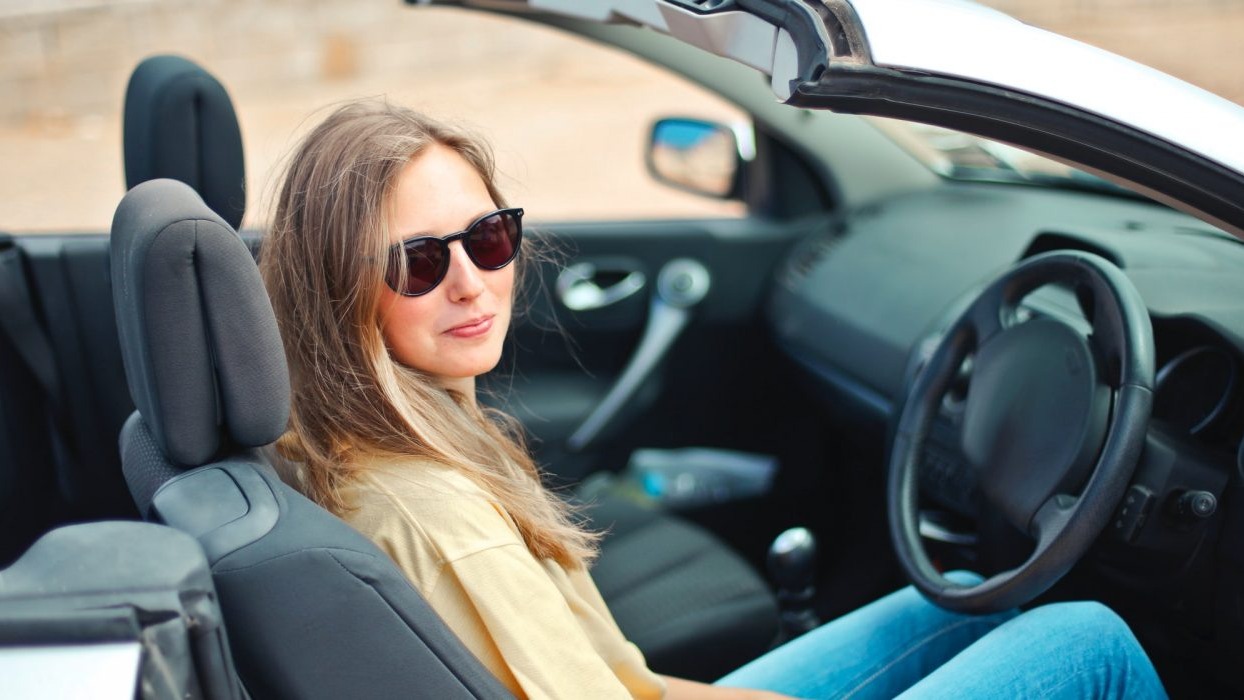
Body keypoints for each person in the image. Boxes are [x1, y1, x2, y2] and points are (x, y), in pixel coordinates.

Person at [258, 99, 1167, 700]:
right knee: (1088, 642)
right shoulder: (438, 513)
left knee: (968, 598)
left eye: (489, 237)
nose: (470, 282)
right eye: (419, 260)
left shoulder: (356, 449)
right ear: (340, 293)